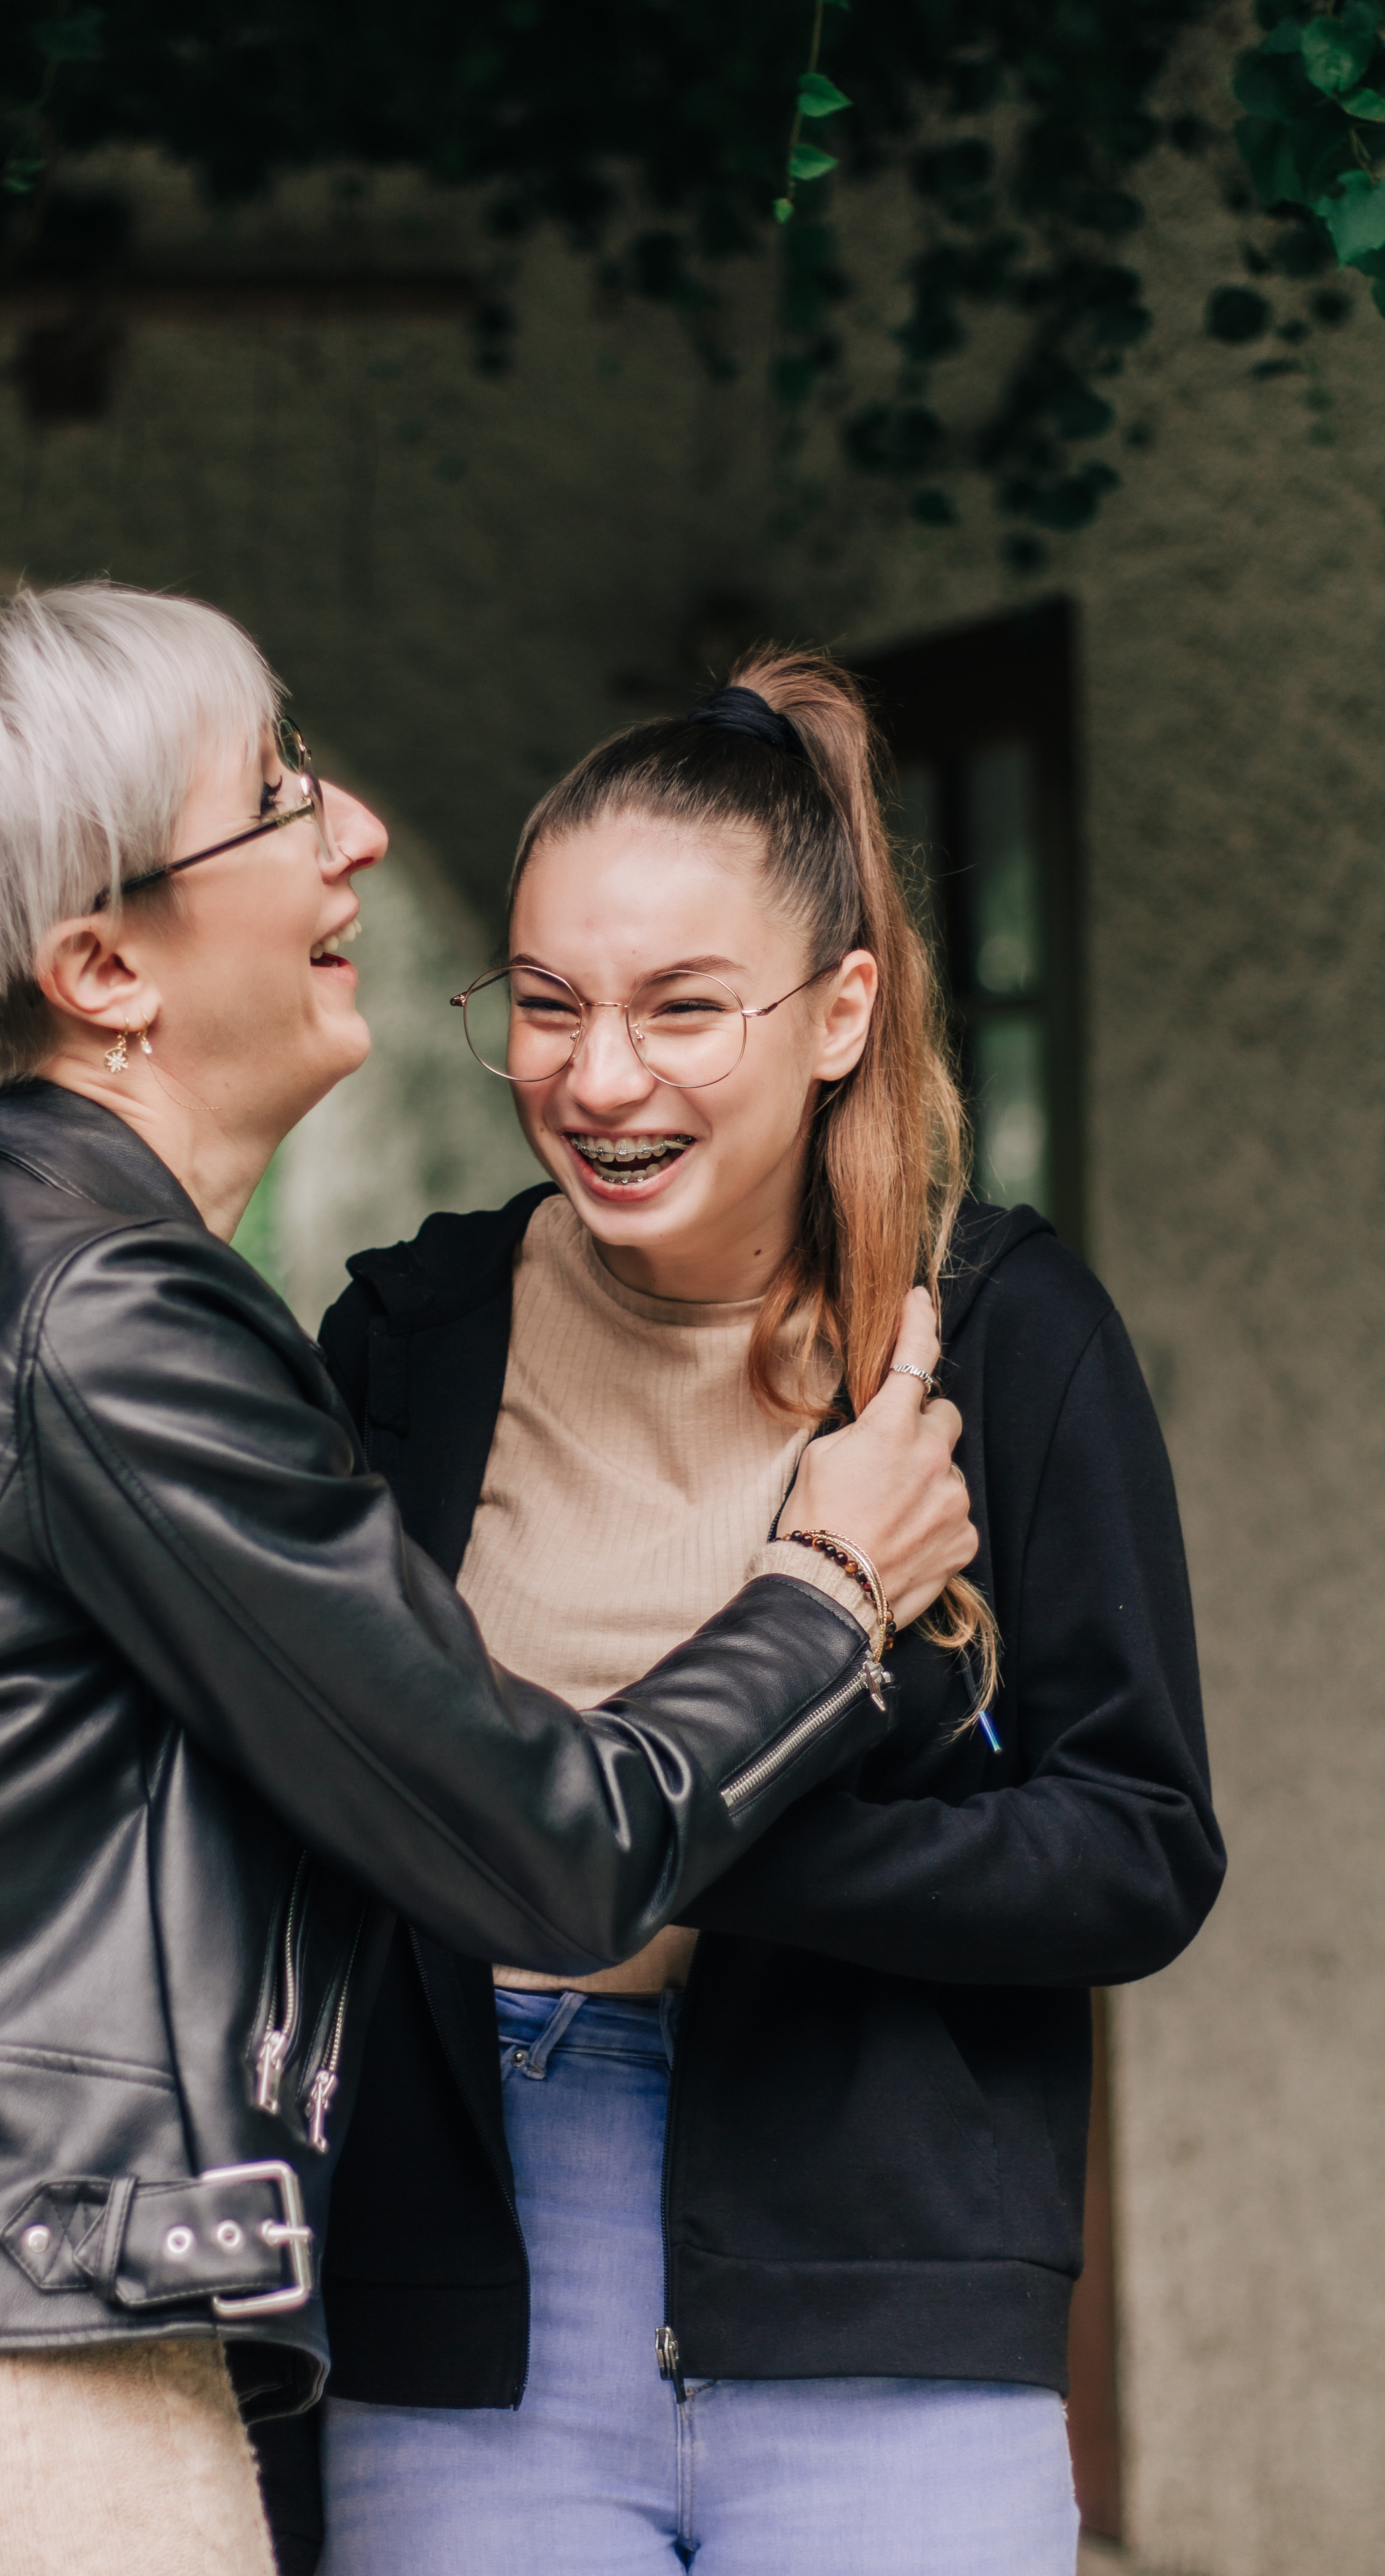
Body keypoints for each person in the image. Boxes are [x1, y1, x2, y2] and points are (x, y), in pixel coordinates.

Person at [0, 592, 977, 2576]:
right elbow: (541, 1851)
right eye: (275, 796)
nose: (353, 826)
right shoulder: (105, 1314)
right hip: (11, 2431)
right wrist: (822, 1583)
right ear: (105, 964)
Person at [299, 651, 1225, 2576]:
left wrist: (674, 1847)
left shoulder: (1005, 1336)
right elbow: (328, 1788)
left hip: (883, 2270)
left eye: (681, 1009)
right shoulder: (408, 1337)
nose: (599, 1076)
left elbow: (1136, 1850)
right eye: (544, 1007)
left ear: (838, 1013)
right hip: (471, 2270)